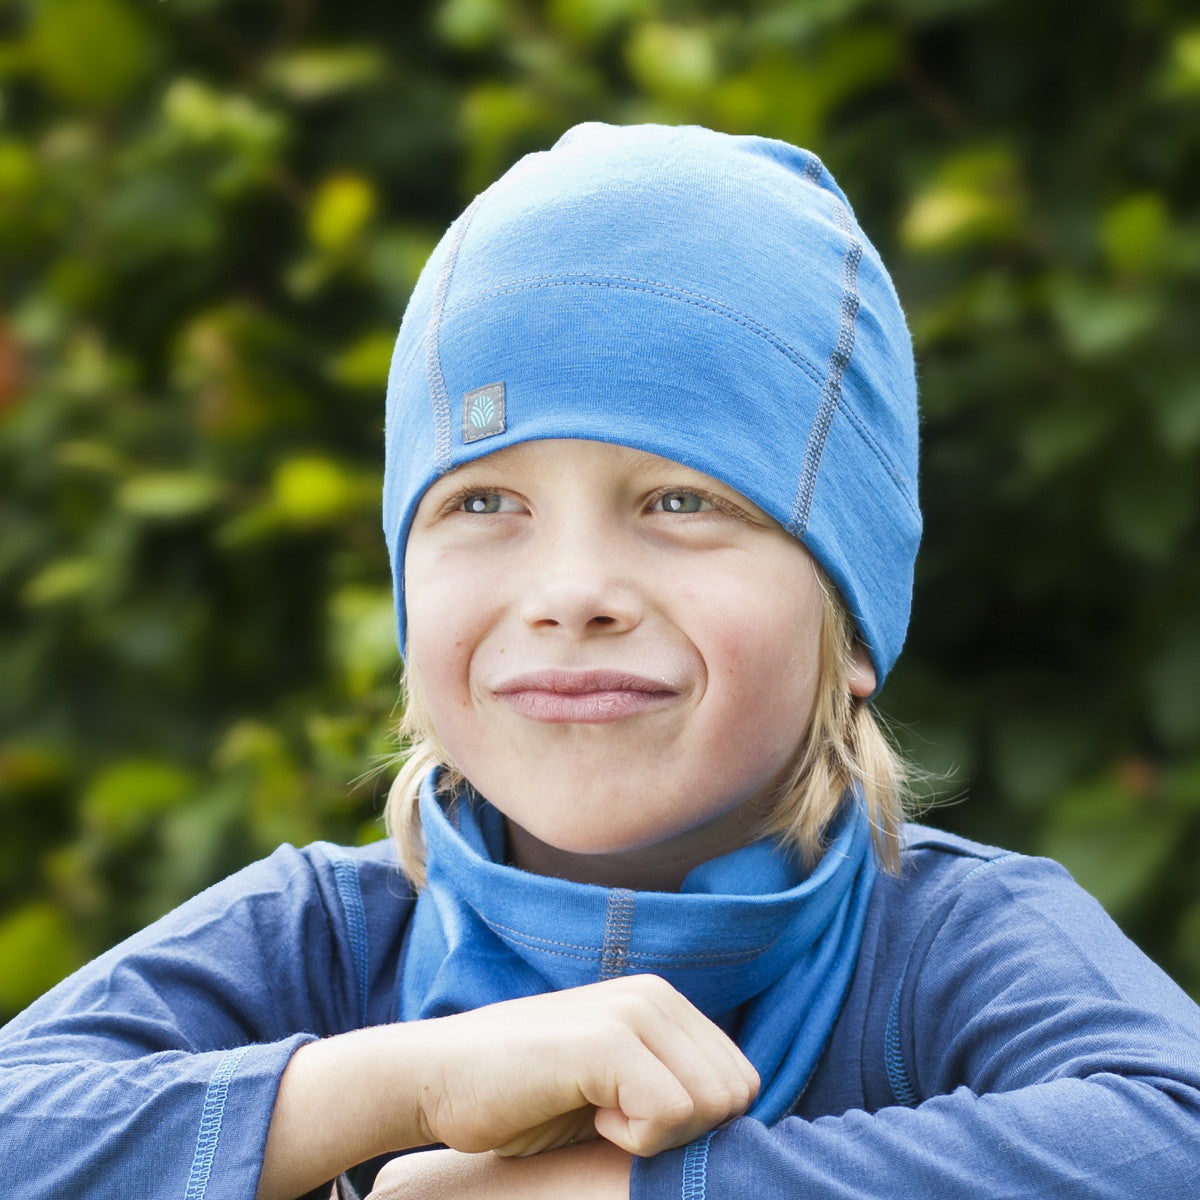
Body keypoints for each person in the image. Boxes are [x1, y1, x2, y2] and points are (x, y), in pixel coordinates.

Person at [2, 123, 1198, 1200]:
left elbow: (1172, 1136)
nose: (572, 593)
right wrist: (405, 1085)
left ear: (849, 619)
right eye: (482, 503)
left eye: (682, 500)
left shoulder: (948, 943)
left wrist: (617, 1193)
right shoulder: (319, 939)